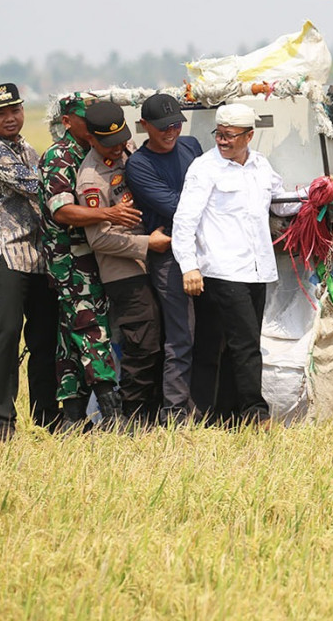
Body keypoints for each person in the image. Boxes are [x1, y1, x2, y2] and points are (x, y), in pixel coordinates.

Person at [172, 103, 302, 426]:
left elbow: (281, 203)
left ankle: (226, 417)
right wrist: (189, 266)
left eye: (230, 136)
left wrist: (314, 194)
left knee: (236, 346)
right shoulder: (205, 169)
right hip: (220, 270)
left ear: (249, 136)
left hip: (257, 271)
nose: (222, 141)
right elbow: (184, 221)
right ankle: (256, 414)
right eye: (219, 134)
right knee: (246, 345)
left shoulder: (260, 165)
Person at [40, 93, 138, 429]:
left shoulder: (105, 148)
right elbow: (62, 210)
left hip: (103, 253)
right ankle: (113, 415)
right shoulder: (59, 156)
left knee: (72, 336)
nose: (94, 120)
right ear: (68, 121)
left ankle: (72, 417)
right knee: (91, 327)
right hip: (72, 258)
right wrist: (108, 213)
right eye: (86, 117)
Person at [76, 101, 172, 425]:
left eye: (122, 140)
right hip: (123, 269)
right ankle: (132, 417)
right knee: (142, 342)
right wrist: (147, 244)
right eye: (110, 144)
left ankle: (155, 412)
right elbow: (99, 239)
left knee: (160, 336)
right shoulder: (91, 178)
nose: (119, 149)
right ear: (91, 140)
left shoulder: (128, 150)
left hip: (149, 259)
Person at [0, 83, 58, 440]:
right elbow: (38, 185)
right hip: (2, 253)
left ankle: (47, 417)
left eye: (16, 111)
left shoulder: (27, 147)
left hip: (35, 256)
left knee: (43, 338)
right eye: (1, 113)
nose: (10, 118)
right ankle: (0, 419)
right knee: (6, 335)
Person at [124, 93, 207, 425]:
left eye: (176, 124)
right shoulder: (139, 165)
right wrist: (210, 201)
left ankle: (203, 405)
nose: (171, 132)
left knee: (210, 331)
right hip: (170, 257)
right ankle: (173, 413)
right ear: (144, 126)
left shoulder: (191, 146)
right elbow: (178, 207)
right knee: (180, 334)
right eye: (162, 128)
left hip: (206, 250)